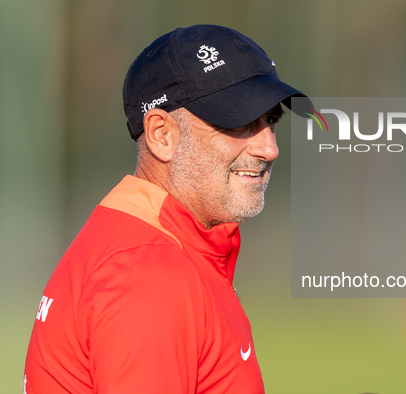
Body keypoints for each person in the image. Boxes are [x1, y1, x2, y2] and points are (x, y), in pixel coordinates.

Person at [24, 24, 311, 393]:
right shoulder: (149, 271)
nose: (268, 148)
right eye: (239, 121)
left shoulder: (140, 244)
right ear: (162, 134)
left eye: (270, 120)